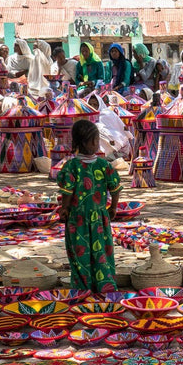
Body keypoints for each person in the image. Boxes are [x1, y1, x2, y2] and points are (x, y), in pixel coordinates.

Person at [57, 119, 121, 291]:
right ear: (80, 143)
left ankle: (91, 287)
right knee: (88, 254)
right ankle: (92, 286)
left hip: (85, 220)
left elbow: (115, 188)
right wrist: (65, 208)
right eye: (92, 140)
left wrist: (114, 207)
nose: (95, 143)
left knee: (91, 253)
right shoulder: (88, 166)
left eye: (96, 139)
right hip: (88, 219)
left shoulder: (75, 166)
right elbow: (67, 194)